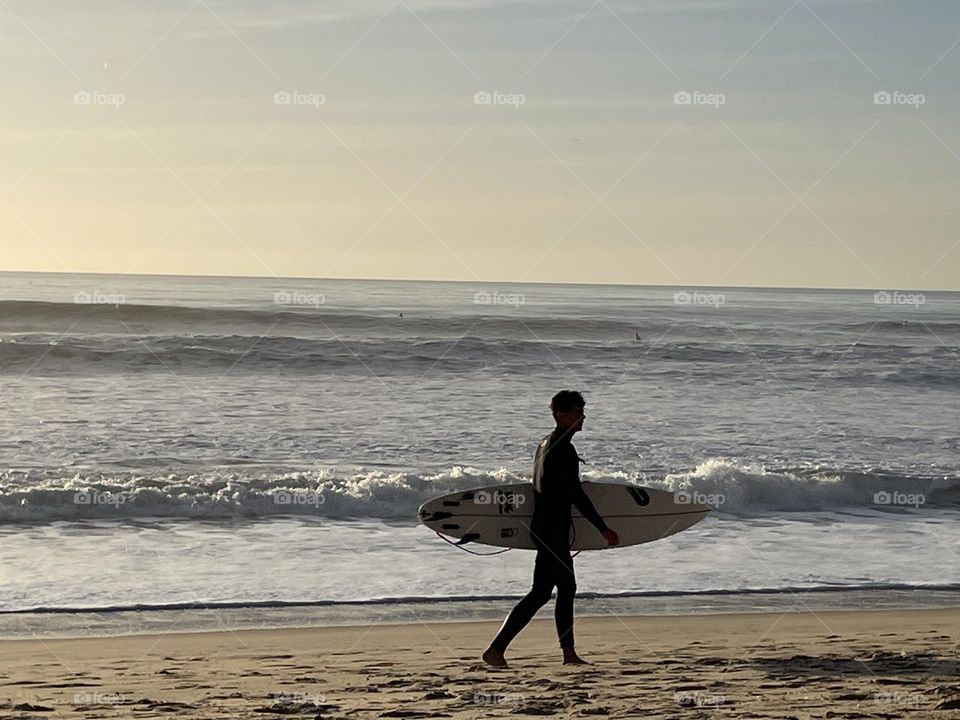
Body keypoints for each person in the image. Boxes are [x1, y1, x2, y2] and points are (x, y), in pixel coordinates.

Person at [482, 390, 619, 668]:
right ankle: (497, 650)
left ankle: (566, 654)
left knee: (556, 589)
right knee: (545, 592)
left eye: (583, 411)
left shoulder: (545, 443)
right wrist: (602, 528)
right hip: (551, 531)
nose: (583, 417)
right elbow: (576, 495)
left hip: (545, 528)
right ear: (561, 415)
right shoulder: (564, 449)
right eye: (577, 412)